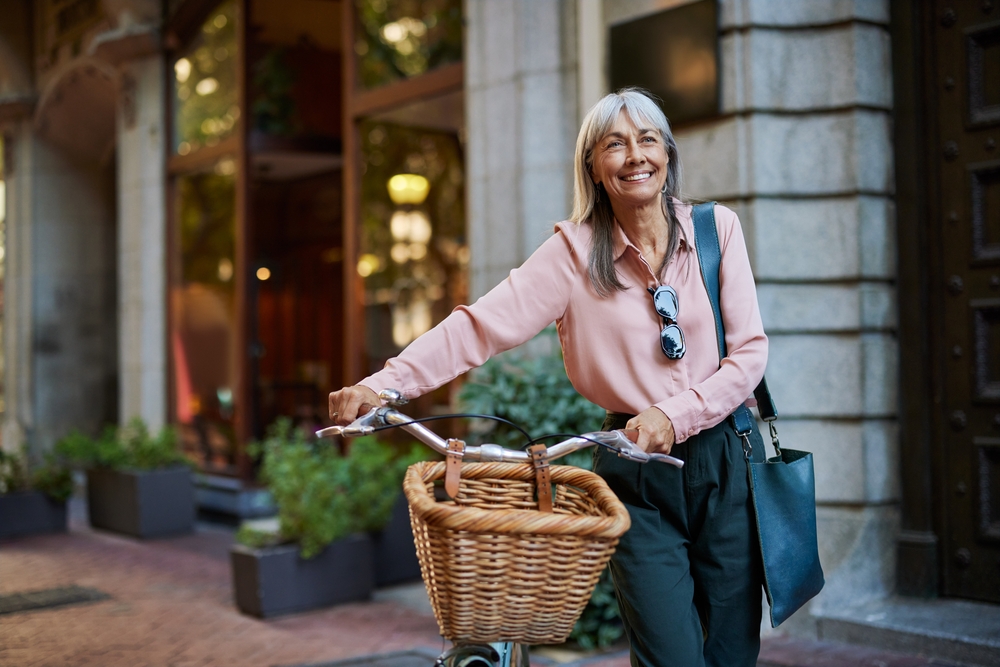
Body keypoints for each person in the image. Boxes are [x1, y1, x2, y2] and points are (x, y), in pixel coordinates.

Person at [329, 87, 768, 667]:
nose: (634, 155)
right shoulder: (572, 252)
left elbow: (750, 354)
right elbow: (478, 326)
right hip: (633, 470)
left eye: (647, 140)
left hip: (726, 462)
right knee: (672, 656)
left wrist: (676, 414)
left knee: (732, 653)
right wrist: (384, 384)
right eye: (615, 144)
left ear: (668, 153)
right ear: (593, 165)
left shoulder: (717, 231)